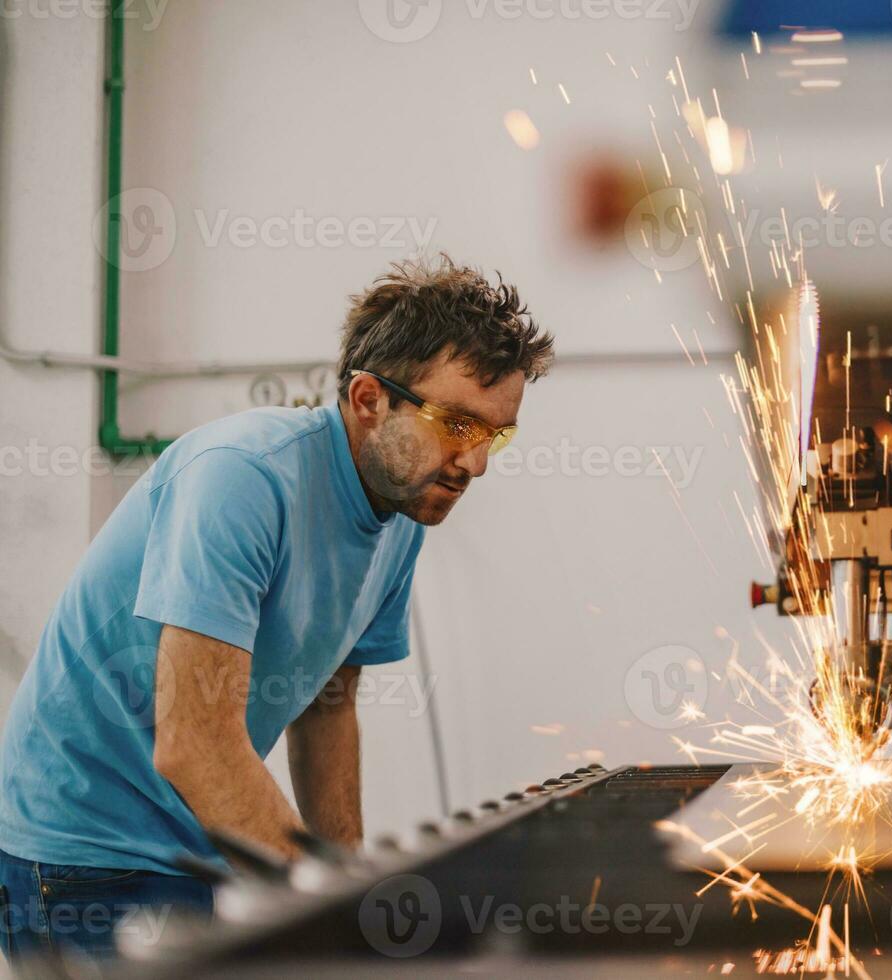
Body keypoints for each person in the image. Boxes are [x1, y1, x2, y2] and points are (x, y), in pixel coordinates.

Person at [0, 256, 553, 963]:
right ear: (366, 400)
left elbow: (325, 705)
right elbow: (195, 745)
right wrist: (338, 904)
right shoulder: (243, 477)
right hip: (85, 852)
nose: (474, 465)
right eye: (456, 425)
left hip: (201, 841)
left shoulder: (403, 512)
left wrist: (352, 886)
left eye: (494, 435)